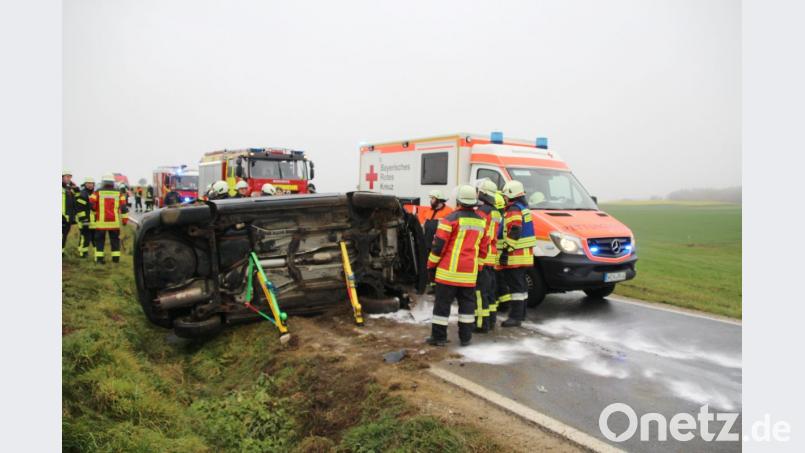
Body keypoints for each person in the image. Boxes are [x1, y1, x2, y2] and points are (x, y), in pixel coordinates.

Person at [425, 185, 489, 347]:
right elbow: (483, 249)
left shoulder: (450, 219)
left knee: (442, 306)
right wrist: (479, 268)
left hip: (447, 273)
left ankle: (439, 338)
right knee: (467, 307)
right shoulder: (482, 222)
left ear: (459, 200)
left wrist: (431, 265)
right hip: (469, 274)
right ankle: (465, 338)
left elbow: (438, 246)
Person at [498, 180, 537, 327]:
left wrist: (506, 251)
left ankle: (515, 317)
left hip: (515, 255)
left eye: (505, 195)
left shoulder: (513, 209)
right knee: (521, 288)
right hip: (524, 255)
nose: (504, 198)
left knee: (516, 288)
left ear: (511, 195)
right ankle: (521, 314)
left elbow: (515, 230)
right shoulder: (523, 208)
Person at [474, 179, 502, 333]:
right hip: (492, 257)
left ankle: (480, 324)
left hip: (482, 257)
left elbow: (481, 236)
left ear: (483, 193)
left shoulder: (481, 212)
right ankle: (491, 320)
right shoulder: (496, 212)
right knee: (490, 291)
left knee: (479, 292)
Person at [89, 174, 128, 264]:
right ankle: (115, 260)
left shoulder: (97, 192)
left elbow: (91, 204)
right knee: (115, 241)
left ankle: (99, 260)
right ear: (112, 183)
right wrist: (124, 220)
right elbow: (123, 207)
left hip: (101, 223)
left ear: (103, 182)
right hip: (114, 223)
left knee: (99, 242)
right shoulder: (119, 193)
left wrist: (95, 213)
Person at [75, 177, 95, 258]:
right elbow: (80, 208)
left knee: (93, 237)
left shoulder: (93, 193)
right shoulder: (82, 194)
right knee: (85, 237)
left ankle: (89, 253)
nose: (90, 185)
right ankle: (82, 253)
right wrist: (84, 220)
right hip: (84, 220)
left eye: (92, 183)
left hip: (92, 220)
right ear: (85, 184)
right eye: (88, 183)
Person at [62, 169, 79, 255]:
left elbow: (77, 200)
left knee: (64, 235)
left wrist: (76, 189)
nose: (69, 178)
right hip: (62, 216)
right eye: (67, 176)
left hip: (68, 217)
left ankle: (62, 251)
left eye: (70, 177)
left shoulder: (70, 189)